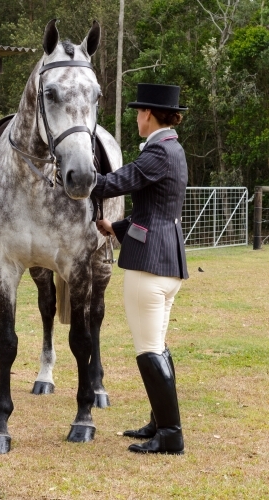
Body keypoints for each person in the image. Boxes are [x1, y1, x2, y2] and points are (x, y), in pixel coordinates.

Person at [92, 83, 189, 455]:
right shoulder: (173, 149)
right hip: (167, 262)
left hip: (150, 267)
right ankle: (159, 421)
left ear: (148, 114)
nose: (136, 118)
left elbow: (113, 183)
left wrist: (77, 177)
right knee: (159, 347)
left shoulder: (156, 153)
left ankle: (170, 435)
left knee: (148, 350)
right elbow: (153, 214)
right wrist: (115, 228)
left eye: (137, 112)